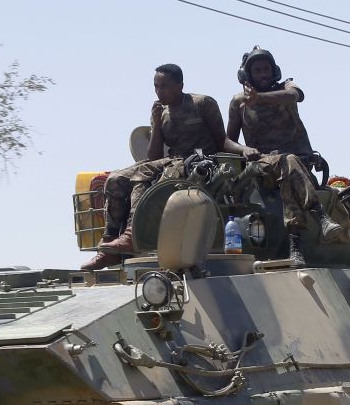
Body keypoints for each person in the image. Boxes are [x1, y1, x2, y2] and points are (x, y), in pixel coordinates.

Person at [81, 63, 257, 271]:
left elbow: (222, 141)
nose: (159, 91)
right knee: (115, 179)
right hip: (170, 159)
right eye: (156, 86)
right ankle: (109, 246)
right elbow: (153, 155)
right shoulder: (160, 112)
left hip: (200, 161)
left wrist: (244, 149)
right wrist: (156, 121)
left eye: (164, 86)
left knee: (142, 177)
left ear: (180, 85)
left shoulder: (202, 104)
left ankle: (131, 235)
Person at [226, 46, 341, 266]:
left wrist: (260, 98)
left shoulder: (286, 87)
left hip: (297, 166)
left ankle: (295, 248)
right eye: (257, 70)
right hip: (262, 165)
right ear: (247, 75)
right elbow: (225, 141)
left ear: (274, 70)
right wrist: (243, 149)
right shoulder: (238, 102)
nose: (263, 74)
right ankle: (320, 216)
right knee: (286, 161)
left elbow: (295, 95)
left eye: (266, 69)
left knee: (287, 167)